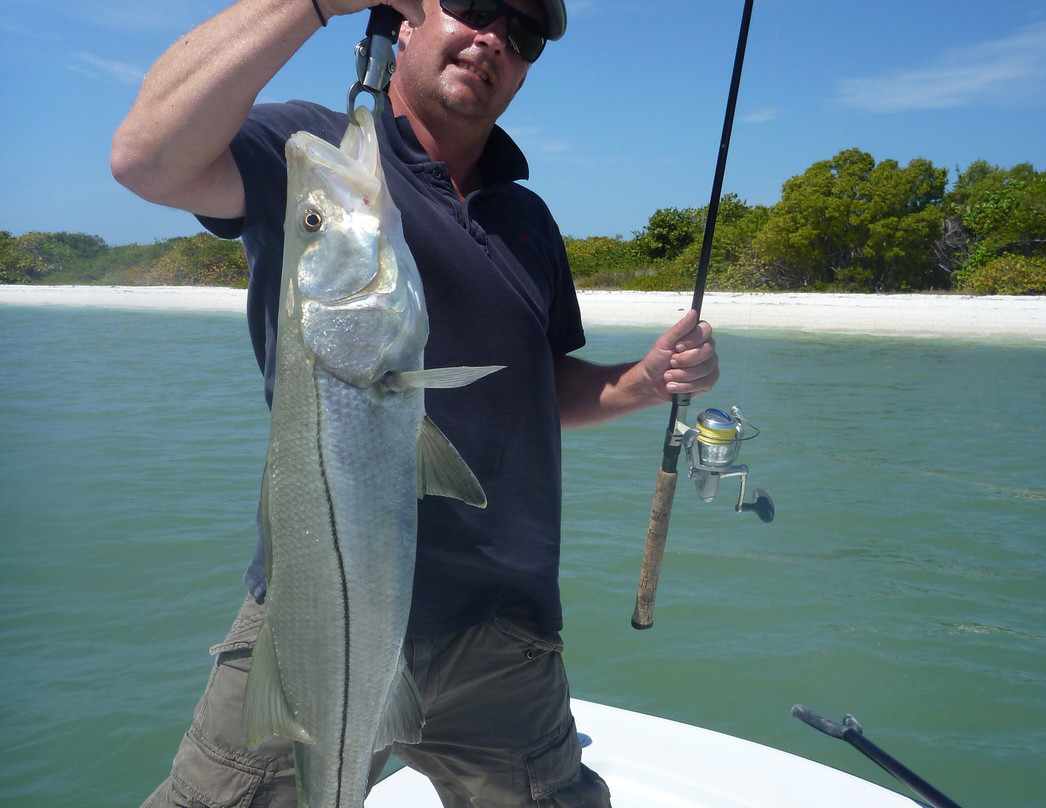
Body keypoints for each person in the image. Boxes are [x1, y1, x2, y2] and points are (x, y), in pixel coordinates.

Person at [112, 1, 720, 806]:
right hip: (308, 616)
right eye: (474, 6)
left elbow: (536, 388)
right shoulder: (318, 153)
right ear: (404, 19)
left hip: (501, 639)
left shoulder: (528, 221)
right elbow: (146, 158)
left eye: (524, 33)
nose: (494, 37)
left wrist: (641, 381)